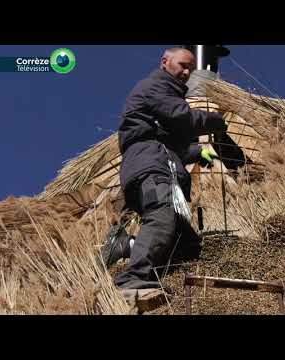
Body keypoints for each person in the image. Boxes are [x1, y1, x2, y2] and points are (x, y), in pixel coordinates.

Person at [101, 47, 227, 290]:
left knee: (186, 245)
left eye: (190, 68)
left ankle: (126, 245)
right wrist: (215, 121)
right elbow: (181, 117)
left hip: (161, 163)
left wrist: (196, 153)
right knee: (162, 214)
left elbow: (171, 142)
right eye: (182, 65)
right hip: (150, 164)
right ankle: (132, 280)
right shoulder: (155, 87)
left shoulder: (170, 94)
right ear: (165, 61)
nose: (187, 72)